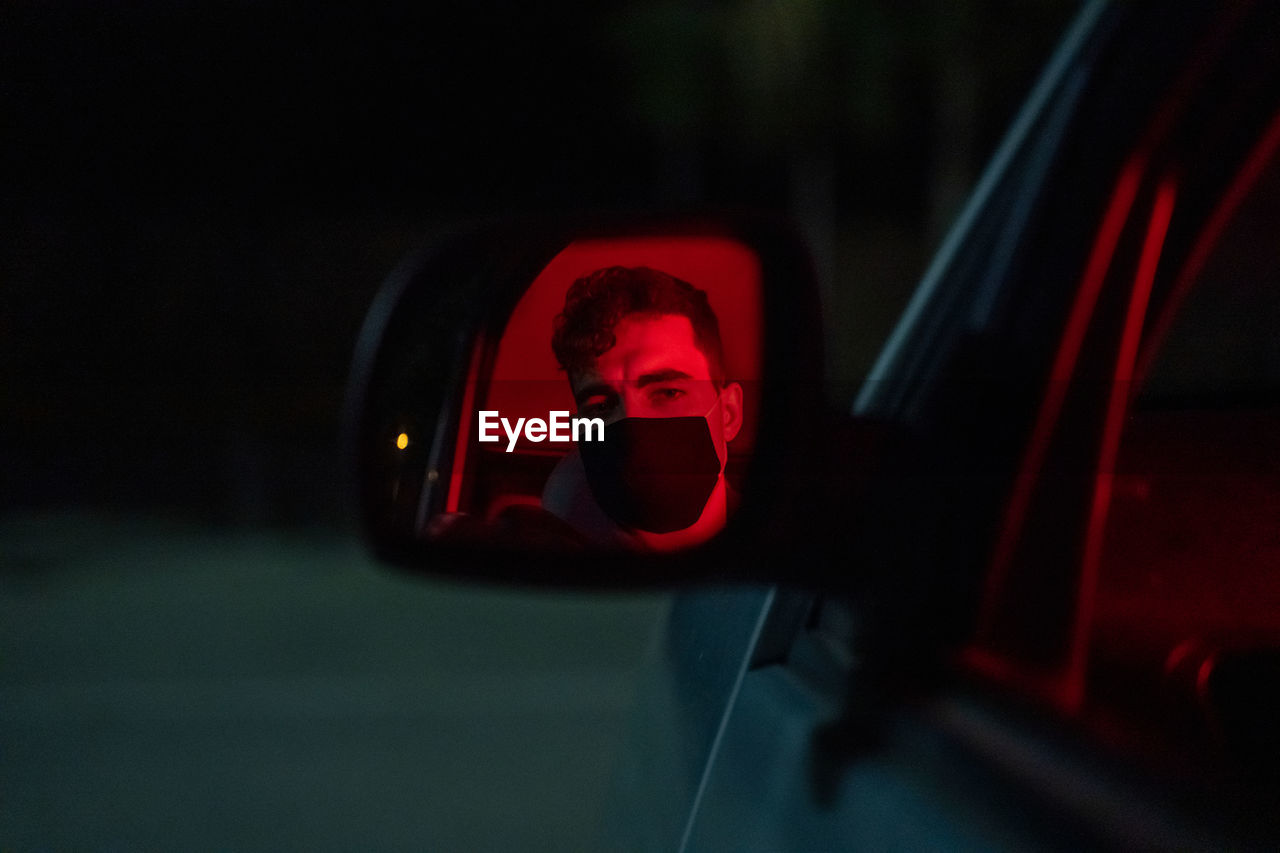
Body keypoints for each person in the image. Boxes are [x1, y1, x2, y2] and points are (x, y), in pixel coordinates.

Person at [542, 266, 744, 551]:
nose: (634, 428)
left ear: (729, 413)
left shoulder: (772, 543)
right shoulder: (565, 547)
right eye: (601, 405)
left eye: (668, 392)